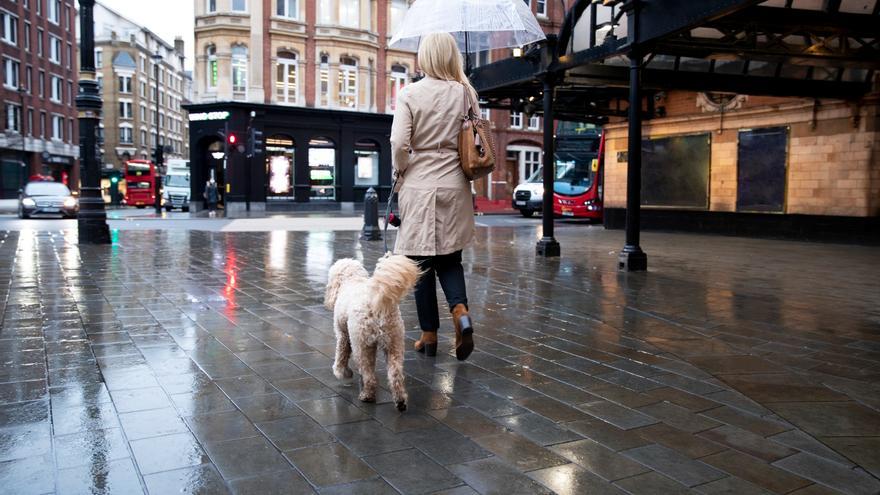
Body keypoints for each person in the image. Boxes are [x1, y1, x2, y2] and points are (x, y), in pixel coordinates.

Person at [390, 32, 477, 361]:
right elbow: (475, 139)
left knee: (419, 261)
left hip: (419, 184)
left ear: (425, 57)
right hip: (456, 182)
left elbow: (399, 144)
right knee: (450, 259)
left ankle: (428, 336)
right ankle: (461, 313)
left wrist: (401, 171)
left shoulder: (410, 93)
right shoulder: (466, 93)